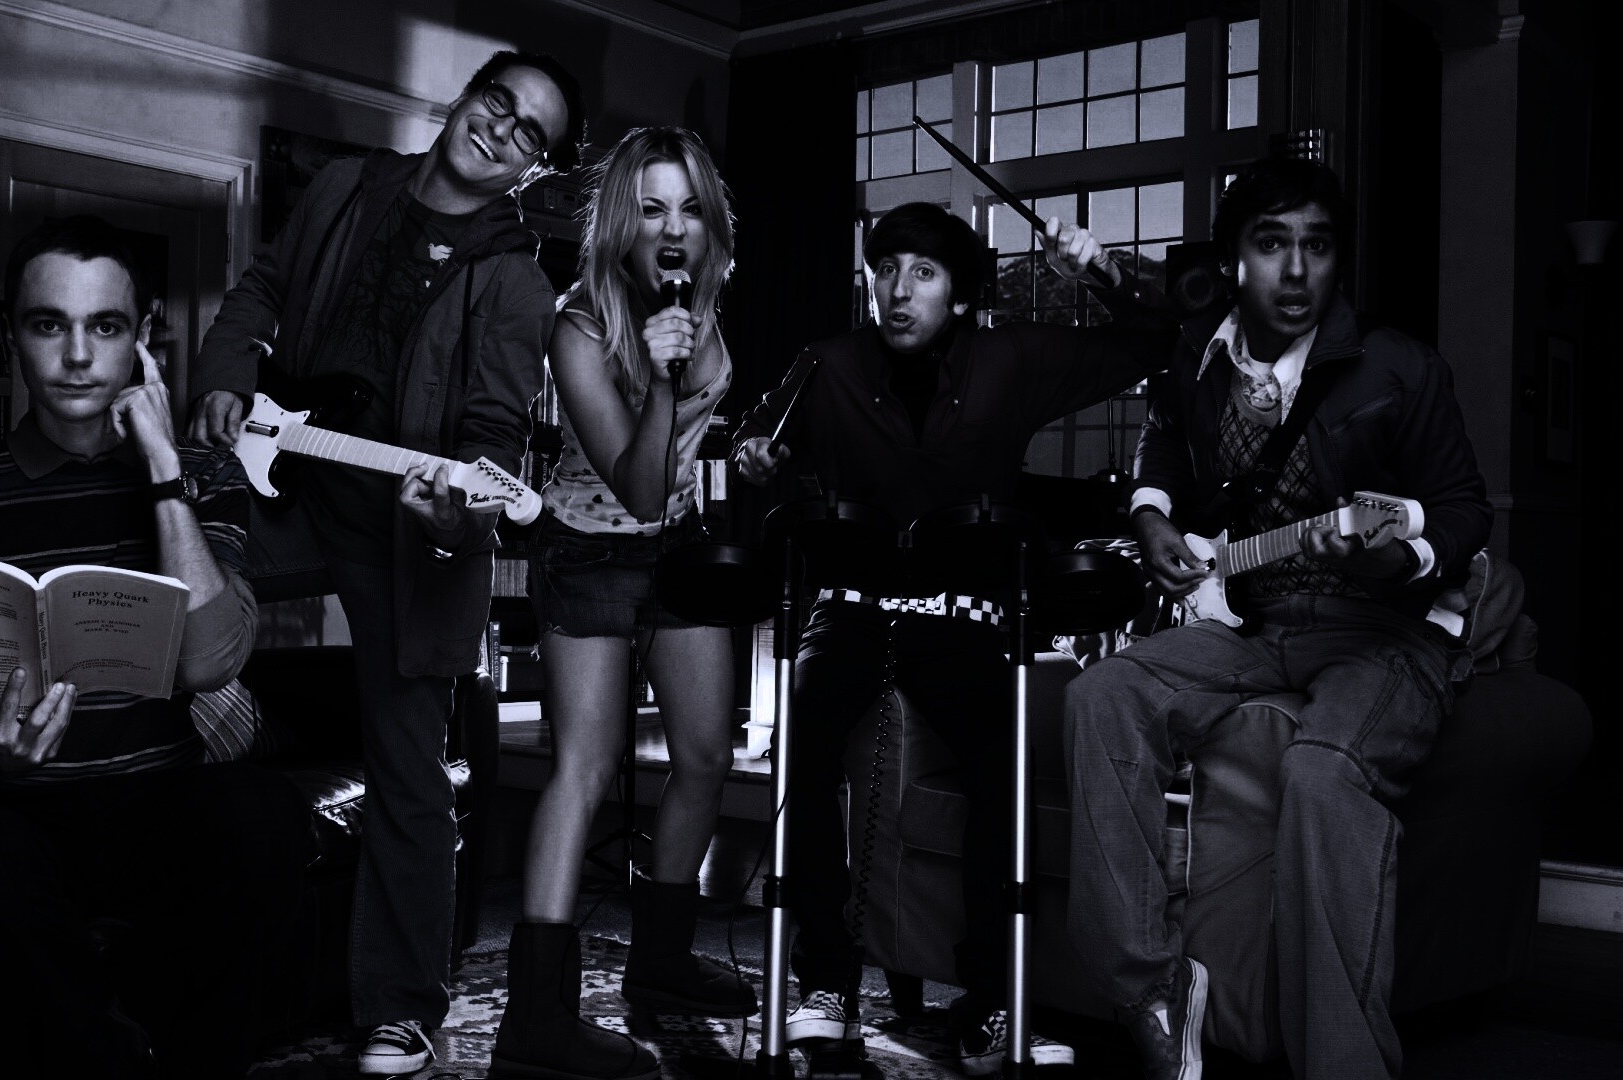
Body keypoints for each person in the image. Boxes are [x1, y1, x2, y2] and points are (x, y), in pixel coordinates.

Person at [186, 50, 587, 1077]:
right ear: (466, 97)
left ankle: (402, 1012)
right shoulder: (342, 187)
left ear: (535, 167)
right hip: (285, 474)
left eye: (529, 133)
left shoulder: (516, 283)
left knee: (411, 765)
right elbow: (262, 290)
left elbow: (490, 439)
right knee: (167, 597)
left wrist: (456, 514)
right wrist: (227, 375)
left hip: (402, 529)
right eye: (497, 102)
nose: (501, 130)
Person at [1062, 157, 1491, 1080]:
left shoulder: (1400, 366)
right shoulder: (1198, 355)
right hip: (1257, 627)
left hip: (1386, 637)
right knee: (1102, 696)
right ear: (1234, 259)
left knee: (1321, 770)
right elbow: (1163, 445)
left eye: (1317, 247)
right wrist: (1151, 516)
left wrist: (1399, 554)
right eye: (1271, 244)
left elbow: (1463, 509)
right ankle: (1152, 991)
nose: (1296, 272)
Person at [0, 214, 313, 1079]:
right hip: (14, 814)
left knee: (264, 815)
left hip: (156, 804)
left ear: (143, 339)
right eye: (49, 324)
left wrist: (163, 473)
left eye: (104, 326)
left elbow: (209, 662)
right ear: (11, 336)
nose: (77, 357)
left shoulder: (206, 478)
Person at [732, 201, 1177, 1075]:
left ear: (962, 295)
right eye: (885, 270)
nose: (898, 291)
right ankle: (826, 986)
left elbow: (1156, 343)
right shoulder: (825, 363)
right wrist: (755, 454)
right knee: (801, 751)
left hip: (965, 616)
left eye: (924, 274)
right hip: (850, 608)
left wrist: (1098, 268)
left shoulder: (1013, 359)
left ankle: (987, 1007)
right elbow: (756, 435)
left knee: (1003, 776)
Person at [486, 126, 749, 1080]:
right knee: (586, 768)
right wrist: (666, 378)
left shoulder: (698, 301)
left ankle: (662, 961)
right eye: (651, 208)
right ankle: (535, 1020)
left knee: (707, 756)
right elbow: (636, 485)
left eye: (689, 208)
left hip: (676, 547)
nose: (673, 228)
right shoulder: (580, 327)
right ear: (618, 223)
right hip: (589, 549)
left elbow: (682, 470)